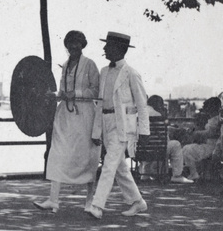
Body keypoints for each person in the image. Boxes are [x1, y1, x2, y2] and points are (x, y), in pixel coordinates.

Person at [33, 30, 100, 213]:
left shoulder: (90, 65)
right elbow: (63, 91)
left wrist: (76, 94)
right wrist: (54, 96)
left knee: (87, 158)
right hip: (65, 116)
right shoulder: (65, 65)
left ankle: (89, 202)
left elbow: (96, 91)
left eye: (77, 43)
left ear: (83, 44)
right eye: (70, 43)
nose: (73, 47)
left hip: (84, 116)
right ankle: (53, 200)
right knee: (57, 153)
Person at [87, 32, 150, 219]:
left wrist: (144, 131)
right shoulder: (104, 72)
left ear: (119, 49)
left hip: (123, 126)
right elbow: (100, 103)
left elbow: (141, 104)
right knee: (120, 167)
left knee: (108, 164)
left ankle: (97, 206)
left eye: (108, 46)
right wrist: (96, 130)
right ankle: (138, 202)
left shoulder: (132, 73)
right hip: (106, 123)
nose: (104, 49)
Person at [142, 95, 193, 184]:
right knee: (175, 144)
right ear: (158, 105)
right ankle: (177, 175)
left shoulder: (138, 113)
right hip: (155, 149)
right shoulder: (156, 115)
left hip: (139, 150)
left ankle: (145, 174)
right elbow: (162, 135)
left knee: (150, 142)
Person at [182, 97, 222, 181]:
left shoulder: (216, 119)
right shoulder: (216, 118)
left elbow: (210, 133)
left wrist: (196, 133)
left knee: (187, 149)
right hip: (213, 145)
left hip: (213, 146)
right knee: (190, 148)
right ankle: (196, 173)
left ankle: (194, 173)